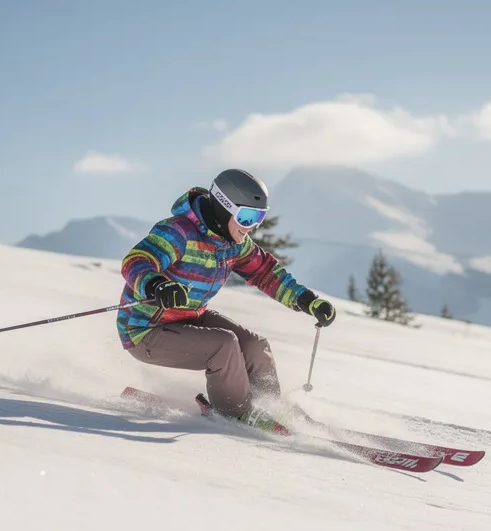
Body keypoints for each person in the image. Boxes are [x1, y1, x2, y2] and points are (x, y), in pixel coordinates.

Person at [117, 168, 336, 428]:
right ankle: (236, 412)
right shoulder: (179, 232)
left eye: (259, 218)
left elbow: (266, 273)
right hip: (145, 329)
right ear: (224, 208)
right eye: (247, 217)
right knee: (224, 344)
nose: (252, 227)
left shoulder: (233, 244)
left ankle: (269, 407)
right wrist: (156, 285)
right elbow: (137, 260)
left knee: (255, 346)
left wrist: (307, 299)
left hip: (189, 317)